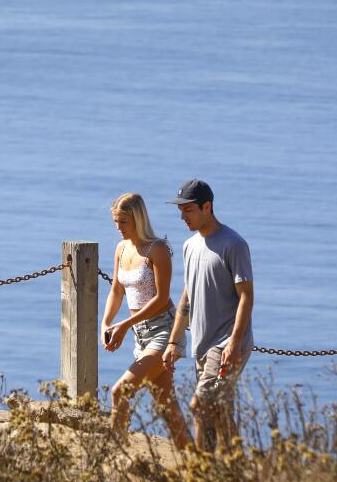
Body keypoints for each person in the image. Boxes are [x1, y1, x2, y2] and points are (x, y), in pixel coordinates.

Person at [161, 179, 254, 451]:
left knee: (200, 405)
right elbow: (187, 297)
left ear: (207, 207)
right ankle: (230, 472)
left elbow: (247, 296)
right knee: (219, 412)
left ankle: (202, 472)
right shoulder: (190, 246)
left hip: (226, 343)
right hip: (202, 344)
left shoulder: (234, 244)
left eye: (188, 210)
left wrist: (235, 343)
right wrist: (174, 341)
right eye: (180, 210)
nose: (182, 217)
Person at [101, 192, 192, 448]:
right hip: (140, 334)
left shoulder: (158, 249)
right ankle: (195, 462)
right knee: (166, 405)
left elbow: (162, 298)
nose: (119, 228)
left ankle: (115, 455)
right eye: (116, 222)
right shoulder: (121, 248)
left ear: (138, 219)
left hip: (163, 330)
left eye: (124, 222)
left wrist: (124, 325)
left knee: (120, 392)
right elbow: (117, 291)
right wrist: (105, 324)